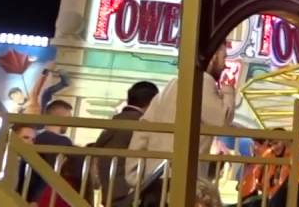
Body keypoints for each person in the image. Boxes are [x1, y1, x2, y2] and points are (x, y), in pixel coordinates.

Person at [126, 42, 236, 206]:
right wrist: (228, 91)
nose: (225, 65)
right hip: (183, 179)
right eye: (223, 58)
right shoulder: (201, 82)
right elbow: (222, 120)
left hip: (155, 179)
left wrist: (135, 175)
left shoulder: (170, 88)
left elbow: (142, 132)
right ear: (213, 57)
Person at [91, 81, 159, 205]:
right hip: (128, 194)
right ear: (152, 102)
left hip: (110, 192)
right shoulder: (141, 124)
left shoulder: (114, 122)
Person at [26, 99, 77, 202]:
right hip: (51, 196)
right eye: (69, 118)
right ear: (62, 118)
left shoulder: (33, 138)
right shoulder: (64, 142)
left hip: (28, 192)